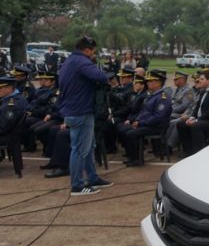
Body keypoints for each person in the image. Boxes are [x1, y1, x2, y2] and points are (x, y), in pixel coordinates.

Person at [57, 36, 112, 196]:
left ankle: (92, 178)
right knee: (80, 150)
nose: (93, 54)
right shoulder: (82, 61)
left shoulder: (69, 60)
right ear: (87, 50)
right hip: (80, 111)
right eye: (93, 52)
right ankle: (77, 186)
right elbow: (101, 77)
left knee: (88, 148)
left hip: (75, 110)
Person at [119, 70, 172, 166]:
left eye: (150, 81)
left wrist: (140, 123)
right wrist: (137, 120)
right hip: (147, 124)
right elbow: (143, 112)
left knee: (131, 133)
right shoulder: (152, 96)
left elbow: (158, 117)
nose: (148, 83)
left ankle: (137, 160)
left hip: (157, 127)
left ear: (158, 83)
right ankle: (132, 156)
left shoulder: (162, 97)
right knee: (123, 129)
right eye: (148, 81)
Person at [176, 70, 209, 157]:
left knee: (196, 126)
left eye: (202, 79)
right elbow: (197, 108)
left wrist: (197, 120)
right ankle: (188, 151)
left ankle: (198, 153)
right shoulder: (203, 91)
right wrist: (192, 117)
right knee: (181, 124)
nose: (199, 81)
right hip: (203, 119)